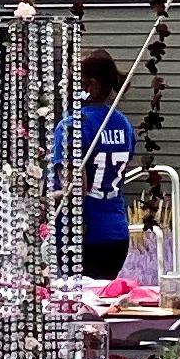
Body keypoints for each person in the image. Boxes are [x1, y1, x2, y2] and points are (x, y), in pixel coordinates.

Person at [57, 50, 141, 281]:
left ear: (90, 85)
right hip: (116, 232)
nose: (65, 86)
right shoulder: (123, 124)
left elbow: (75, 189)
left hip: (83, 235)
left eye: (72, 80)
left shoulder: (71, 127)